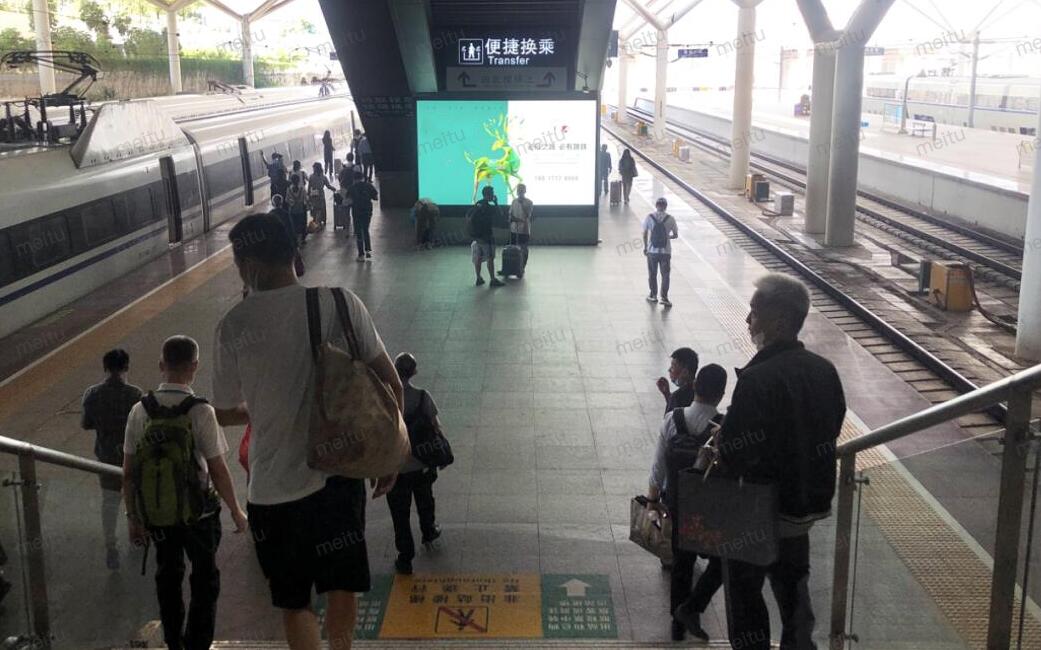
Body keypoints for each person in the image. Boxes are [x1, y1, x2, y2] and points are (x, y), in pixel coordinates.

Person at [211, 214, 399, 650]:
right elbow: (390, 383)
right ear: (293, 254)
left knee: (294, 602)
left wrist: (261, 409)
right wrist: (388, 456)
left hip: (272, 491)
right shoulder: (339, 302)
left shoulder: (233, 325)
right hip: (337, 477)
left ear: (247, 264)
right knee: (340, 586)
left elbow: (222, 411)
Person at [716, 273, 846, 650]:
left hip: (761, 509)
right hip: (806, 507)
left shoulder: (757, 379)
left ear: (780, 321)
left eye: (754, 313)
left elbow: (735, 453)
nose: (748, 321)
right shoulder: (824, 370)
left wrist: (720, 444)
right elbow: (833, 425)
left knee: (744, 593)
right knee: (793, 589)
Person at [122, 336, 247, 650]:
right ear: (194, 366)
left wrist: (133, 517)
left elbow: (129, 472)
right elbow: (218, 469)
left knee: (168, 575)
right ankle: (197, 644)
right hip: (199, 515)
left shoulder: (140, 410)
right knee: (205, 578)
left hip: (159, 515)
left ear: (161, 365)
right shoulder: (201, 410)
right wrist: (236, 510)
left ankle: (173, 643)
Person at [647, 364, 727, 642]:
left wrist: (652, 501)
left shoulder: (673, 419)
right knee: (722, 560)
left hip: (677, 504)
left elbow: (658, 467)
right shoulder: (723, 426)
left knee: (682, 564)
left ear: (694, 387)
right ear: (721, 393)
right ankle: (692, 607)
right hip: (711, 509)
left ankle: (677, 624)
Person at [81, 348, 142, 570]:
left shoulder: (92, 394)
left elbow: (86, 424)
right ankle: (137, 539)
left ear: (105, 368)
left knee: (109, 502)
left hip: (106, 457)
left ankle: (111, 547)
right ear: (127, 367)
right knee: (135, 500)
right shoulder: (136, 395)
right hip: (132, 458)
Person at [387, 353, 443, 576]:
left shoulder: (386, 399)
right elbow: (436, 426)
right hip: (421, 465)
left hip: (396, 469)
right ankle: (429, 531)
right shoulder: (422, 397)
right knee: (425, 501)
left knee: (400, 515)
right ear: (414, 372)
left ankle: (405, 558)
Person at [642, 197, 678, 307]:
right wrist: (667, 237)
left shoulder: (649, 217)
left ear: (656, 206)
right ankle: (664, 298)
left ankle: (653, 295)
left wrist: (645, 247)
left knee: (652, 273)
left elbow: (644, 234)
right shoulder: (671, 219)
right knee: (665, 275)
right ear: (665, 207)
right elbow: (675, 235)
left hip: (652, 251)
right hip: (666, 252)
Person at [468, 186, 505, 288]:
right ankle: (492, 279)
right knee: (490, 258)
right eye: (492, 193)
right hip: (486, 237)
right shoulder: (488, 207)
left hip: (476, 237)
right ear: (489, 194)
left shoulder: (477, 204)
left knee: (478, 257)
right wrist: (496, 202)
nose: (493, 195)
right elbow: (500, 214)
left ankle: (478, 278)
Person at [344, 171, 378, 261]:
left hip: (357, 211)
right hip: (367, 211)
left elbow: (347, 202)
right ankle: (368, 251)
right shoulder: (368, 186)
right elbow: (376, 197)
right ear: (362, 178)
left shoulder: (351, 188)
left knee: (359, 232)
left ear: (354, 179)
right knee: (366, 229)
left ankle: (361, 255)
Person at [656, 347, 698, 414]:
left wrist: (671, 399)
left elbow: (669, 419)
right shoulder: (699, 392)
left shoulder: (677, 397)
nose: (669, 370)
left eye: (673, 367)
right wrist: (667, 394)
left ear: (685, 372)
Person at [505, 183, 533, 275]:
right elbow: (510, 213)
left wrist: (522, 204)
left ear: (525, 191)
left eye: (521, 190)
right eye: (518, 190)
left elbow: (528, 215)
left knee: (523, 249)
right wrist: (511, 218)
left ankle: (522, 268)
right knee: (511, 249)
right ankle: (510, 268)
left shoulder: (529, 202)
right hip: (513, 230)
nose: (520, 192)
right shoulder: (514, 201)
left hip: (524, 230)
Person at [308, 162, 336, 228]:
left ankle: (316, 221)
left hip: (313, 195)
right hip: (321, 195)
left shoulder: (311, 177)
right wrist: (334, 189)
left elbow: (309, 187)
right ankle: (320, 221)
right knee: (320, 209)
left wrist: (308, 195)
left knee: (315, 208)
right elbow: (328, 186)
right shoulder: (323, 177)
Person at [285, 174, 309, 246]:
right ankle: (302, 240)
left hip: (292, 210)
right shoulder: (302, 189)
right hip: (301, 210)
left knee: (294, 225)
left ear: (291, 181)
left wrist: (292, 203)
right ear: (298, 181)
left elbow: (286, 200)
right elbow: (306, 199)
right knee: (301, 225)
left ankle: (295, 240)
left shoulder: (289, 189)